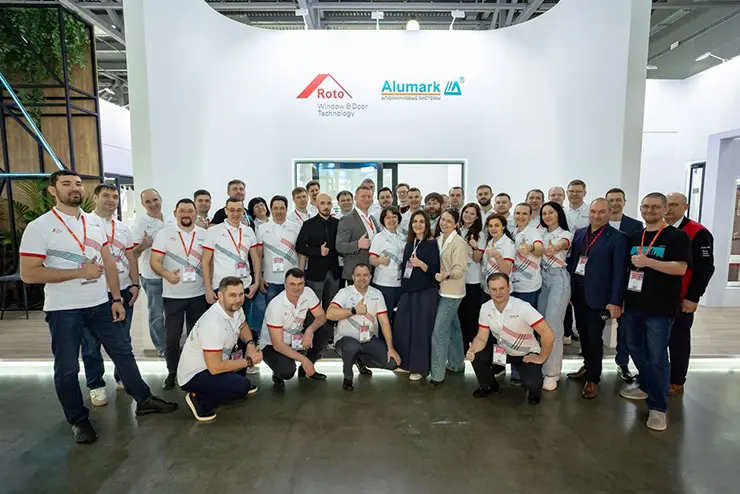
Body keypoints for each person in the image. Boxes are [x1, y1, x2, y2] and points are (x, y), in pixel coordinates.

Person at [19, 170, 177, 444]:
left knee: (123, 352)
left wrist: (115, 298)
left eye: (78, 183)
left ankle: (143, 398)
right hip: (64, 309)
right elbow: (29, 273)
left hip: (100, 304)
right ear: (53, 190)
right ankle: (78, 419)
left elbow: (109, 264)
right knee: (68, 367)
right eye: (66, 184)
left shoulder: (93, 224)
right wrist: (79, 272)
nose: (74, 188)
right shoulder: (40, 227)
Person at [620, 192, 691, 432]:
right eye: (645, 207)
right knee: (634, 347)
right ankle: (647, 385)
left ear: (664, 209)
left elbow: (680, 268)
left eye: (655, 207)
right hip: (634, 304)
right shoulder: (634, 236)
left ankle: (658, 407)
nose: (649, 211)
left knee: (657, 356)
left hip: (660, 308)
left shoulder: (676, 236)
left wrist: (649, 262)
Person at [81, 184, 141, 405]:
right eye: (105, 195)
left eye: (115, 196)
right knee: (90, 343)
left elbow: (131, 257)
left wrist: (135, 284)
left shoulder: (123, 228)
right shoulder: (84, 223)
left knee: (123, 339)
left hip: (123, 291)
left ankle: (122, 377)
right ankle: (96, 385)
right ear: (95, 198)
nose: (111, 200)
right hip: (93, 292)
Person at [566, 198, 628, 398]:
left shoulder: (618, 238)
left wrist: (615, 301)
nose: (597, 215)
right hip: (579, 294)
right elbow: (574, 262)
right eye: (593, 211)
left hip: (599, 298)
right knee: (583, 333)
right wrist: (569, 291)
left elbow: (619, 273)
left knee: (594, 337)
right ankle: (587, 366)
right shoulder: (580, 233)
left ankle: (593, 378)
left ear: (609, 213)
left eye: (601, 212)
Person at [178, 276, 263, 421]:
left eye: (241, 294)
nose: (238, 299)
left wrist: (250, 344)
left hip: (217, 361)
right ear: (220, 296)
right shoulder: (213, 324)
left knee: (251, 335)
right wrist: (248, 361)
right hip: (196, 374)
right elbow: (215, 367)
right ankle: (198, 398)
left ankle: (232, 381)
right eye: (232, 295)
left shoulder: (235, 308)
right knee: (242, 387)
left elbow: (242, 325)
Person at [466, 273, 554, 405]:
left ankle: (534, 388)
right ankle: (489, 385)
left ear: (509, 288)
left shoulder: (523, 307)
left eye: (501, 288)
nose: (498, 293)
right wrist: (473, 349)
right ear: (488, 291)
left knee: (532, 384)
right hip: (503, 350)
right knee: (477, 355)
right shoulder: (486, 308)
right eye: (494, 289)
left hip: (525, 354)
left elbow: (548, 334)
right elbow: (481, 337)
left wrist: (541, 357)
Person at [150, 199, 209, 390]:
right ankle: (172, 371)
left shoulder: (204, 234)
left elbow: (210, 262)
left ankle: (194, 369)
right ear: (175, 213)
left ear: (195, 213)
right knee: (172, 337)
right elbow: (155, 261)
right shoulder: (165, 234)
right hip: (173, 296)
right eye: (182, 211)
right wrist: (166, 274)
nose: (186, 214)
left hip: (198, 294)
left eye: (190, 211)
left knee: (196, 336)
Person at [664, 192, 715, 396]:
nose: (669, 209)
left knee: (678, 341)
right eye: (667, 204)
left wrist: (693, 297)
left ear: (685, 207)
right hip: (658, 298)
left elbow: (705, 268)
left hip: (682, 299)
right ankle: (660, 376)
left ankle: (677, 380)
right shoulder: (660, 230)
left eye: (675, 205)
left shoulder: (698, 232)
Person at [327, 264, 402, 391]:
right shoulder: (344, 292)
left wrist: (390, 348)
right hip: (345, 339)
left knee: (392, 363)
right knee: (352, 347)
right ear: (353, 277)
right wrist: (354, 310)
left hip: (367, 339)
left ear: (370, 277)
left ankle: (359, 358)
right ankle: (348, 375)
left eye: (365, 275)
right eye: (358, 275)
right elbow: (330, 314)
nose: (362, 278)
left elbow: (384, 322)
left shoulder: (377, 294)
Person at [393, 210, 440, 381]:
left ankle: (420, 368)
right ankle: (406, 363)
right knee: (404, 327)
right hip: (408, 291)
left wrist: (421, 264)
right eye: (415, 222)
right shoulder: (409, 244)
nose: (418, 225)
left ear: (427, 225)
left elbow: (435, 271)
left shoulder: (432, 244)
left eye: (421, 222)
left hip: (425, 291)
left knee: (421, 330)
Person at [260, 268, 330, 383]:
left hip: (297, 337)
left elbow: (321, 316)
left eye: (300, 284)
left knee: (325, 330)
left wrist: (310, 330)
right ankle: (278, 371)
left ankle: (306, 369)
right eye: (292, 284)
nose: (296, 288)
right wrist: (304, 359)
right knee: (286, 371)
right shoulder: (276, 306)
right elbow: (278, 345)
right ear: (285, 285)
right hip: (272, 345)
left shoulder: (307, 292)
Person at [605, 187, 643, 380]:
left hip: (627, 282)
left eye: (618, 200)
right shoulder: (598, 223)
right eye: (611, 200)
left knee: (626, 326)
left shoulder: (636, 225)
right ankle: (589, 361)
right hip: (602, 282)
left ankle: (622, 362)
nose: (614, 203)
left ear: (624, 202)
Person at [132, 188, 175, 357]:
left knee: (173, 313)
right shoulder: (140, 224)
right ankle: (162, 348)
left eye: (155, 200)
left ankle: (174, 345)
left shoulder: (171, 219)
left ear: (161, 199)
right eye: (148, 202)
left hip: (172, 275)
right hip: (152, 277)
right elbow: (133, 254)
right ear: (143, 204)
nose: (153, 204)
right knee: (157, 315)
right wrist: (143, 245)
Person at [202, 197, 261, 317]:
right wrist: (208, 289)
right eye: (232, 210)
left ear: (243, 212)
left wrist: (256, 283)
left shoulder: (249, 231)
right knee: (221, 324)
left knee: (242, 324)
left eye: (239, 210)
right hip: (221, 287)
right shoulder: (213, 231)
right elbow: (205, 262)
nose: (235, 213)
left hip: (244, 286)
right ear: (226, 210)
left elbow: (256, 259)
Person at [429, 208, 468, 388]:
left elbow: (460, 269)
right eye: (443, 220)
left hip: (452, 292)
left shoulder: (459, 242)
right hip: (440, 290)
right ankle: (457, 364)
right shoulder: (438, 239)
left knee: (439, 331)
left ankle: (437, 375)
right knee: (453, 327)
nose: (444, 223)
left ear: (456, 224)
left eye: (449, 221)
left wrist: (448, 275)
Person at [537, 201, 573, 391]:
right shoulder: (541, 233)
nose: (547, 216)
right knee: (542, 326)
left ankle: (552, 373)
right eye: (544, 213)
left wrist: (554, 248)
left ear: (559, 214)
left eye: (551, 212)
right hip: (541, 279)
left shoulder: (565, 233)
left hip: (558, 279)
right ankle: (542, 366)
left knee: (553, 326)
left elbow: (562, 244)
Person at [296, 193, 342, 325]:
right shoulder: (309, 224)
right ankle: (312, 334)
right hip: (315, 273)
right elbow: (300, 246)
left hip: (334, 272)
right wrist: (317, 251)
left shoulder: (338, 223)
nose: (326, 206)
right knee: (313, 308)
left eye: (328, 203)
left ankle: (329, 334)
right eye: (322, 203)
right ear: (317, 205)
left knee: (332, 307)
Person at [258, 195, 301, 306]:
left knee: (293, 310)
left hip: (293, 279)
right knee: (272, 310)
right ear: (271, 209)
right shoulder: (262, 228)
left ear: (286, 209)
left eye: (282, 208)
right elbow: (258, 255)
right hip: (270, 279)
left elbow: (301, 253)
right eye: (275, 208)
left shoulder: (297, 227)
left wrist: (301, 274)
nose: (279, 211)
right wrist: (259, 277)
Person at [337, 185, 380, 284]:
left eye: (369, 196)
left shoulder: (372, 218)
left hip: (373, 271)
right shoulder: (347, 219)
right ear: (355, 198)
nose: (366, 199)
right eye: (363, 196)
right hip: (356, 273)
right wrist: (357, 245)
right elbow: (339, 246)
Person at [457, 203, 486, 349]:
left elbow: (477, 258)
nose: (468, 215)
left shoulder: (480, 234)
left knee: (470, 317)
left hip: (472, 281)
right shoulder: (457, 230)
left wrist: (475, 247)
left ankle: (470, 349)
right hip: (457, 280)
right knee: (459, 316)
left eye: (472, 213)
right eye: (466, 212)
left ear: (477, 217)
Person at [369, 206, 405, 319]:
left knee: (398, 315)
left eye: (394, 216)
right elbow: (371, 259)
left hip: (400, 283)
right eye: (388, 217)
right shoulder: (378, 237)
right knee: (385, 316)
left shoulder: (403, 237)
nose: (391, 220)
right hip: (384, 283)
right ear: (383, 221)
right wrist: (379, 260)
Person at [511, 202, 543, 308]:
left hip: (529, 287)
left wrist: (531, 248)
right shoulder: (513, 233)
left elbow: (539, 249)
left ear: (530, 216)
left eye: (524, 214)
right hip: (513, 284)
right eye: (518, 213)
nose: (520, 216)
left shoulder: (534, 232)